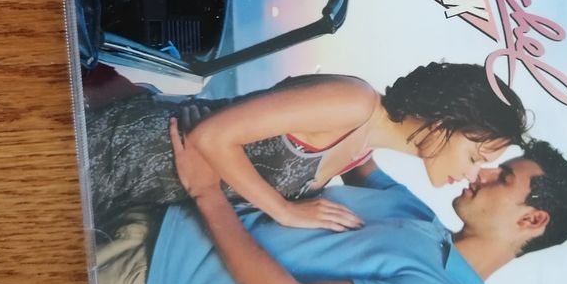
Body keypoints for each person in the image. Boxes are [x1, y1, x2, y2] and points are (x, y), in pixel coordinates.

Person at [94, 128, 567, 284]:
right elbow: (364, 146)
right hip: (156, 215)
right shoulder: (423, 220)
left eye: (504, 177)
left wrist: (207, 193)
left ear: (532, 219)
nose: (482, 173)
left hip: (149, 283)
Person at [86, 62, 528, 231]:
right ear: (446, 120)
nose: (471, 174)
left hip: (123, 190)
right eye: (476, 156)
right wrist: (286, 211)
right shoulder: (354, 101)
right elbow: (210, 136)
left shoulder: (361, 149)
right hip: (103, 156)